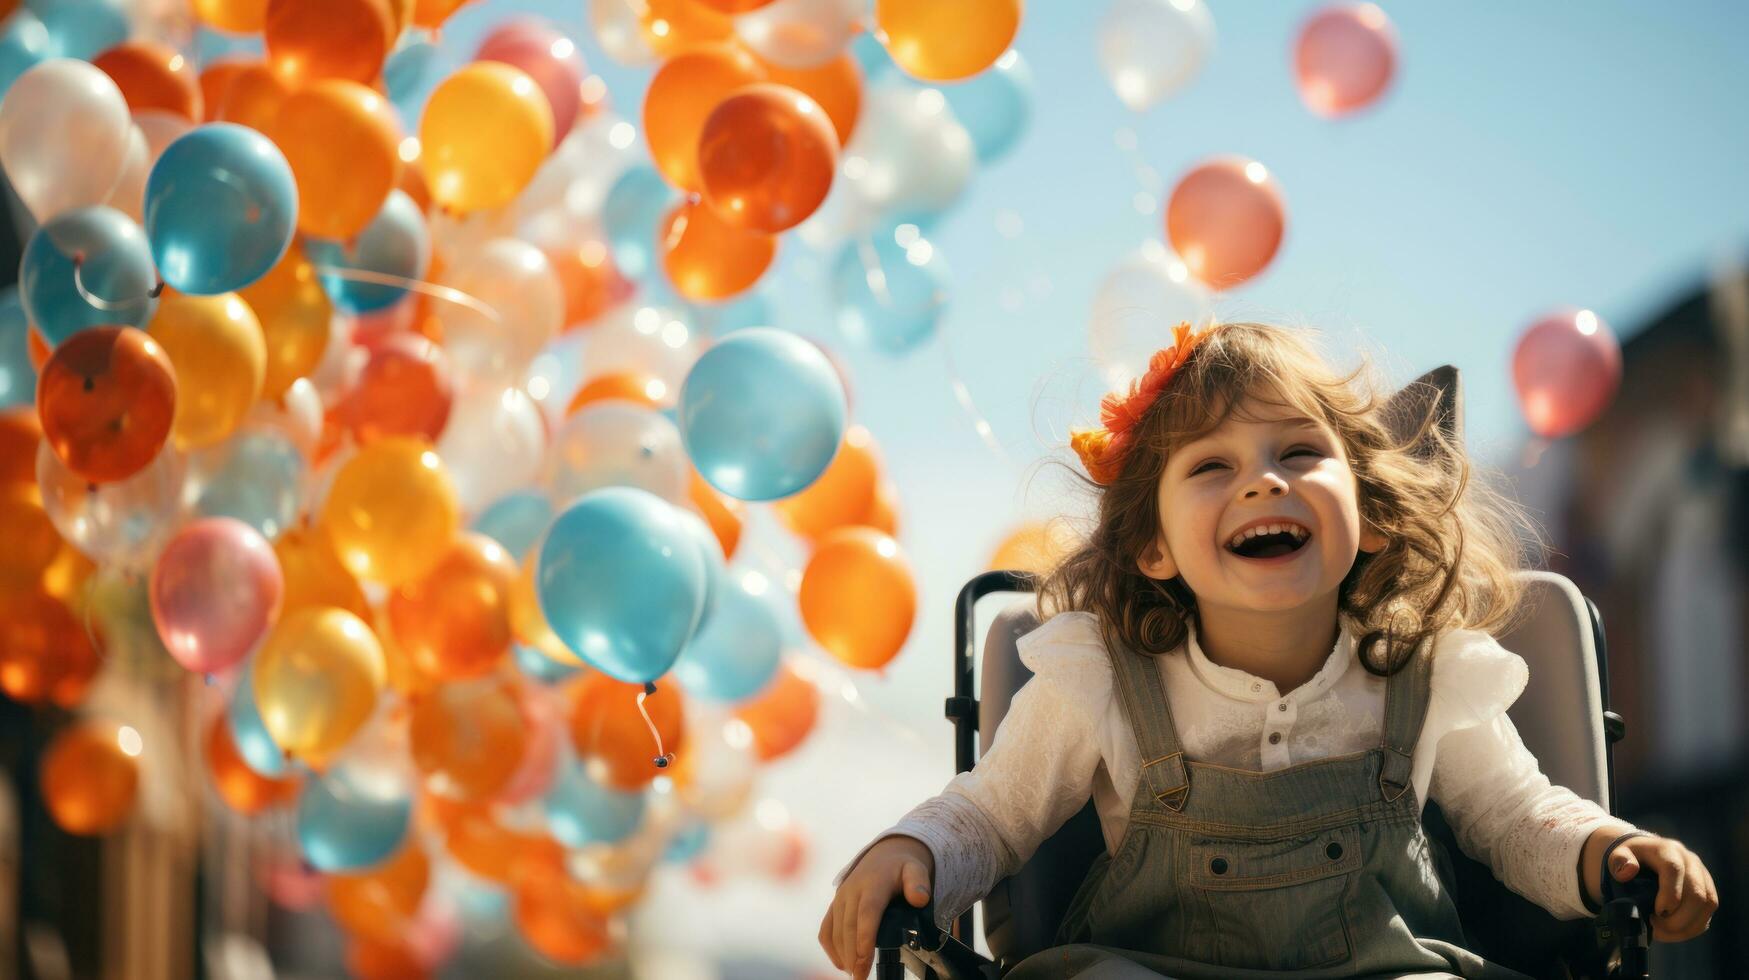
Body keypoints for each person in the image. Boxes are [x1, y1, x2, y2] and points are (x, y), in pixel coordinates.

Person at [819, 321, 1718, 979]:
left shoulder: (1424, 671)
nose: (1261, 479)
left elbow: (1515, 818)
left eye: (1298, 451)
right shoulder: (1100, 676)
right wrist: (917, 849)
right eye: (1211, 466)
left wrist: (1606, 847)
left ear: (1365, 518)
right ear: (1153, 548)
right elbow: (992, 814)